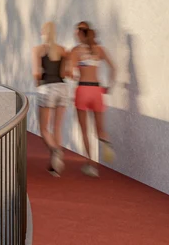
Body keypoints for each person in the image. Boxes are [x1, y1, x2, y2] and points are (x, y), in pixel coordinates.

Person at [70, 21, 116, 176]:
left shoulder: (76, 51)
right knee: (99, 129)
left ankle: (91, 165)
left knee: (84, 130)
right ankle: (105, 140)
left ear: (79, 33)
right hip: (97, 90)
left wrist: (76, 69)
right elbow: (113, 68)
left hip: (83, 89)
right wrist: (109, 87)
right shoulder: (99, 50)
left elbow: (69, 72)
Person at [32, 22, 70, 175]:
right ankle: (55, 167)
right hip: (62, 88)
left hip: (47, 88)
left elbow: (36, 74)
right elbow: (63, 74)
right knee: (57, 128)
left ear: (43, 32)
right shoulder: (62, 50)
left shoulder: (38, 50)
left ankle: (55, 151)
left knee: (43, 129)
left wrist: (37, 85)